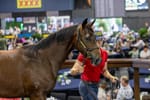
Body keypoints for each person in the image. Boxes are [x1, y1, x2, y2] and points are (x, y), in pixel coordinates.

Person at [70, 35, 118, 100]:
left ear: (102, 41)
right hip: (86, 84)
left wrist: (111, 77)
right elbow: (72, 71)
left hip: (95, 84)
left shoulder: (104, 53)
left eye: (100, 40)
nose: (98, 42)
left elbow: (104, 70)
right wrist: (77, 71)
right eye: (96, 40)